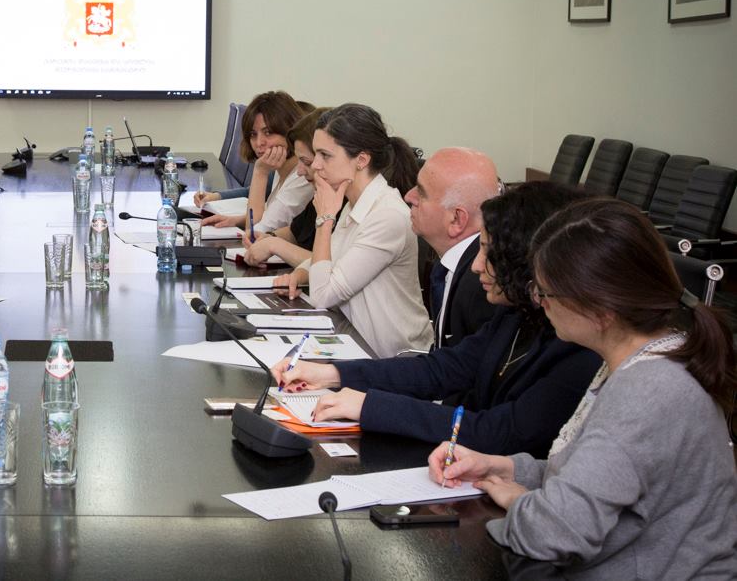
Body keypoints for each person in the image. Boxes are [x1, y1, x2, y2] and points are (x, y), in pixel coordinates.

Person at [431, 198, 737, 578]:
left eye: (546, 293)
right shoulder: (640, 357)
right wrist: (506, 468)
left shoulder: (648, 390)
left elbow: (554, 532)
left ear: (600, 310)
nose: (539, 303)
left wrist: (524, 504)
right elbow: (598, 476)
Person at [271, 182, 601, 456]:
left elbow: (501, 432)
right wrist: (332, 373)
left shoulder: (579, 346)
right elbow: (440, 369)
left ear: (524, 258)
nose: (476, 265)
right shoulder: (517, 315)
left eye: (488, 252)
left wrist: (371, 406)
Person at [273, 103, 432, 356]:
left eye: (325, 155)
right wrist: (301, 273)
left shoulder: (387, 216)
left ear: (361, 160)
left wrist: (324, 219)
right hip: (355, 340)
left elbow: (323, 296)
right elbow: (332, 261)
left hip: (390, 358)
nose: (316, 165)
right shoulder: (352, 202)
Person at [404, 147, 500, 349]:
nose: (409, 196)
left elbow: (462, 366)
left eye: (421, 192)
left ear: (456, 219)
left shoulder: (483, 285)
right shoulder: (451, 266)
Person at [199, 91, 310, 235]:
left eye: (268, 132)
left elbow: (253, 234)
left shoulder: (302, 177)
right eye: (253, 134)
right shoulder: (280, 168)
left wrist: (260, 172)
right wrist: (235, 220)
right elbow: (267, 217)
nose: (259, 143)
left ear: (290, 131)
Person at [238, 107, 331, 268]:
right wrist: (269, 237)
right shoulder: (321, 193)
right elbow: (295, 231)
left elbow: (331, 266)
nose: (299, 171)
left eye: (307, 162)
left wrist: (273, 244)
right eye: (253, 134)